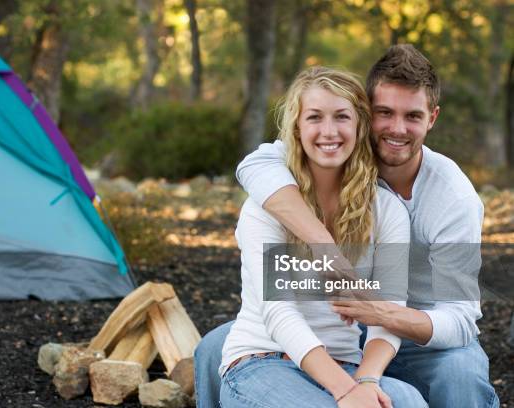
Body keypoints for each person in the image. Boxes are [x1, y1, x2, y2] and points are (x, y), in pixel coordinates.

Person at [195, 45, 499, 408]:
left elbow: (459, 320)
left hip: (408, 339)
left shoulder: (447, 200)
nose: (397, 129)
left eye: (412, 116)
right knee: (214, 347)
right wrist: (327, 250)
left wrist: (381, 319)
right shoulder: (285, 178)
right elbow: (254, 164)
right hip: (317, 339)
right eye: (385, 113)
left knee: (448, 381)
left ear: (432, 118)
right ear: (367, 114)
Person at [217, 66, 426, 408]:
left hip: (348, 363)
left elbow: (388, 311)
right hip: (263, 360)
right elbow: (279, 313)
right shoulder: (265, 207)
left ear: (360, 126)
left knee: (410, 402)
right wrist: (345, 391)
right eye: (314, 117)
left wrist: (367, 380)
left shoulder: (386, 209)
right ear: (297, 129)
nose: (329, 131)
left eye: (342, 117)